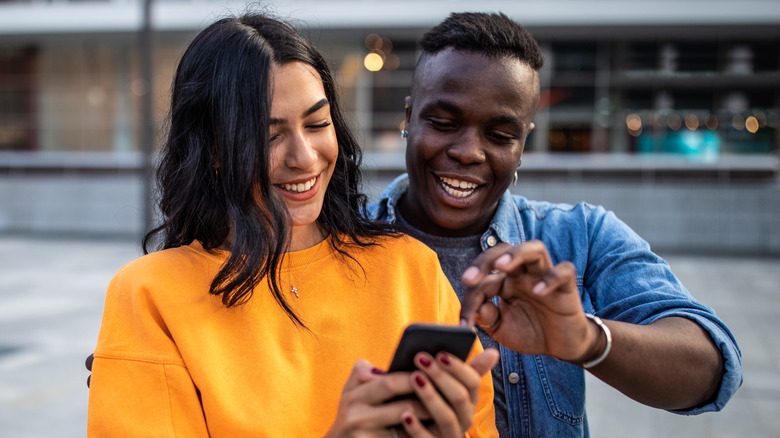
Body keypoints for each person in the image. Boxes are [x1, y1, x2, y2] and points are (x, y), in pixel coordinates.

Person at [87, 13, 501, 437]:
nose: (304, 157)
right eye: (269, 136)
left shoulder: (411, 270)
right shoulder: (151, 295)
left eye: (317, 124)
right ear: (213, 150)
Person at [367, 12, 743, 438]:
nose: (469, 152)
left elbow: (713, 369)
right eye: (443, 123)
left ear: (523, 144)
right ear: (409, 117)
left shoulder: (579, 235)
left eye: (500, 135)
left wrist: (586, 339)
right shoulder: (341, 242)